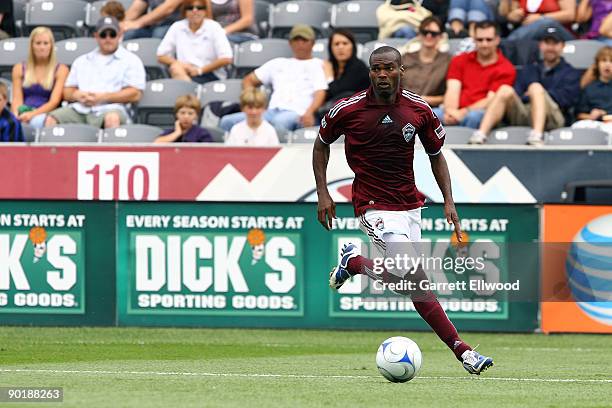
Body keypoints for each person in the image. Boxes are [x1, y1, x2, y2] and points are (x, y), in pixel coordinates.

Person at [313, 45, 494, 376]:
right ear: (370, 72)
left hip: (410, 205)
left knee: (414, 285)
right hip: (372, 204)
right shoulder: (347, 109)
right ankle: (463, 351)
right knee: (413, 277)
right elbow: (321, 143)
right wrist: (323, 192)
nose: (382, 74)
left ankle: (354, 262)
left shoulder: (419, 109)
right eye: (376, 69)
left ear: (401, 70)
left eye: (389, 68)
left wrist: (449, 201)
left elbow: (436, 154)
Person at [470, 26, 580, 145]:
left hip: (554, 117)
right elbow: (517, 91)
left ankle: (537, 136)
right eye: (547, 43)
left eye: (555, 43)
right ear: (540, 45)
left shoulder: (571, 72)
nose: (550, 48)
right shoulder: (528, 69)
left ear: (562, 46)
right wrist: (532, 95)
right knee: (505, 89)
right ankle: (480, 134)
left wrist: (538, 94)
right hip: (525, 113)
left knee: (535, 88)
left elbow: (566, 99)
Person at [219, 24, 327, 134]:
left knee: (279, 123)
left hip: (297, 112)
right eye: (296, 40)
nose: (300, 44)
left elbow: (320, 92)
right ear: (290, 43)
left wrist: (310, 112)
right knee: (226, 121)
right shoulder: (278, 63)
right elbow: (249, 80)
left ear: (312, 43)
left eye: (304, 40)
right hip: (270, 111)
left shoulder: (318, 65)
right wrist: (253, 100)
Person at [45, 17, 146, 129]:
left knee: (112, 119)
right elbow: (67, 91)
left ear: (120, 35)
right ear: (96, 36)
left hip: (112, 108)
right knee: (51, 119)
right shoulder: (82, 60)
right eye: (103, 35)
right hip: (81, 108)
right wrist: (78, 95)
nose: (108, 39)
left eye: (112, 34)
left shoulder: (131, 60)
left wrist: (104, 97)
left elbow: (135, 94)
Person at [433, 21, 516, 129]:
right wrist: (450, 112)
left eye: (489, 40)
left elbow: (491, 100)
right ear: (474, 40)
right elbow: (453, 89)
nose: (484, 44)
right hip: (454, 109)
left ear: (497, 40)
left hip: (481, 112)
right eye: (480, 40)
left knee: (473, 117)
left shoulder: (506, 68)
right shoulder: (459, 60)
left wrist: (463, 112)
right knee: (429, 115)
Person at [157, 0, 233, 83]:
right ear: (184, 11)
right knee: (175, 67)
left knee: (176, 70)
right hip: (185, 72)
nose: (195, 11)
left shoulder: (214, 27)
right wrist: (182, 64)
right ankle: (190, 92)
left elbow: (226, 58)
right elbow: (161, 55)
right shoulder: (177, 27)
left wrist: (200, 70)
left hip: (211, 73)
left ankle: (189, 93)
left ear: (205, 11)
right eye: (190, 8)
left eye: (200, 8)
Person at [10, 27, 69, 129]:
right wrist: (16, 115)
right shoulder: (19, 68)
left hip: (46, 113)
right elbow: (17, 100)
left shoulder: (61, 69)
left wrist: (32, 114)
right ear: (31, 46)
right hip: (24, 110)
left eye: (46, 43)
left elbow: (54, 102)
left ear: (51, 46)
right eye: (38, 43)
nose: (42, 47)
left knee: (36, 122)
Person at [401, 16, 451, 107]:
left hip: (431, 109)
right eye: (425, 32)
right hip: (402, 106)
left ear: (441, 36)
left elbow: (451, 94)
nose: (429, 36)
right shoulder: (405, 58)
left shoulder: (448, 61)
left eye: (434, 33)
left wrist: (426, 100)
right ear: (419, 34)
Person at [323, 29, 370, 104]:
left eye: (345, 43)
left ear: (353, 47)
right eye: (336, 44)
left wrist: (329, 77)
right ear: (330, 48)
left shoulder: (359, 67)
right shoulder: (329, 66)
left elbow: (340, 94)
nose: (340, 47)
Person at [574, 46, 612, 129]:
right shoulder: (589, 88)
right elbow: (580, 114)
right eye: (604, 60)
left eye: (611, 61)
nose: (607, 64)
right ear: (597, 64)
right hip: (594, 124)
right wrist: (591, 116)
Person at [499, 0, 575, 42]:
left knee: (546, 22)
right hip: (530, 34)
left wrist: (541, 18)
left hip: (557, 33)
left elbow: (570, 15)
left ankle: (509, 43)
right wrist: (513, 16)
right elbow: (506, 14)